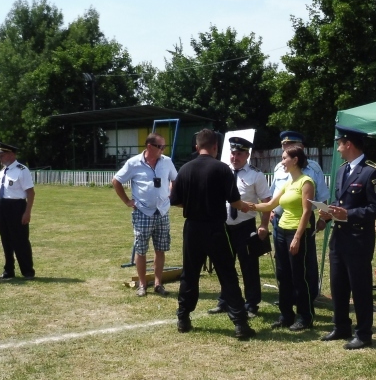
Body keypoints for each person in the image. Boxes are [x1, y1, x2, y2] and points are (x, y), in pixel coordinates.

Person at [171, 129, 255, 340]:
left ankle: (183, 318)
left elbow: (175, 201)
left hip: (192, 228)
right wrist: (245, 206)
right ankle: (240, 324)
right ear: (216, 147)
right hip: (216, 228)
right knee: (227, 274)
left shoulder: (185, 169)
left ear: (197, 147)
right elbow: (234, 201)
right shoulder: (222, 169)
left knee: (190, 274)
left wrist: (193, 205)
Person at [318, 127, 376, 349]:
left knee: (360, 287)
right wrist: (329, 213)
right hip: (339, 237)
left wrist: (348, 214)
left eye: (340, 143)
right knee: (338, 285)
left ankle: (364, 333)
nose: (338, 148)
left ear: (349, 144)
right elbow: (340, 201)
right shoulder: (342, 170)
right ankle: (341, 326)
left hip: (358, 238)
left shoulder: (371, 171)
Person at [254, 145, 317, 331]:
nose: (282, 162)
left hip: (296, 232)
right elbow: (270, 205)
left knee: (299, 276)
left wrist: (297, 237)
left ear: (295, 160)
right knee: (283, 275)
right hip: (281, 231)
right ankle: (286, 315)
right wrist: (248, 206)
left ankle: (305, 317)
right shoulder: (288, 183)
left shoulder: (306, 182)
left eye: (284, 158)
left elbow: (307, 212)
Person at [209, 137, 271, 318]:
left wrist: (263, 224)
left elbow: (266, 201)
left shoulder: (256, 175)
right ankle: (225, 300)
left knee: (249, 266)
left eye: (239, 154)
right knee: (225, 264)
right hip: (224, 225)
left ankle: (251, 304)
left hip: (245, 226)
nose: (234, 157)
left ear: (247, 155)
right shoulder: (222, 171)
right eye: (233, 153)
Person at [112, 133, 178, 297]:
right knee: (141, 250)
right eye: (160, 146)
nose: (163, 149)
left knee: (160, 249)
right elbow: (116, 181)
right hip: (142, 212)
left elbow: (175, 179)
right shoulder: (133, 163)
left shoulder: (167, 161)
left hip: (162, 212)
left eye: (164, 147)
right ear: (149, 146)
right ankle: (142, 284)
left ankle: (158, 283)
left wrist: (170, 194)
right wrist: (127, 201)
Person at [270, 131, 328, 297]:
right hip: (280, 219)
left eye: (289, 146)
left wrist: (323, 218)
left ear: (300, 148)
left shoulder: (313, 168)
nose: (285, 149)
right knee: (282, 259)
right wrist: (272, 210)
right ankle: (288, 296)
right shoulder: (279, 167)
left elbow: (322, 195)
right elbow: (274, 192)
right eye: (284, 146)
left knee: (305, 259)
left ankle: (308, 295)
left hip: (302, 219)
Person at [0, 142, 35, 280]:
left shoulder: (22, 170)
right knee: (6, 240)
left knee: (20, 240)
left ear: (11, 154)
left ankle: (27, 271)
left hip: (16, 207)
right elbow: (0, 193)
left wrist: (27, 212)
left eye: (2, 155)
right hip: (2, 206)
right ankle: (8, 270)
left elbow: (30, 193)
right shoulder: (2, 171)